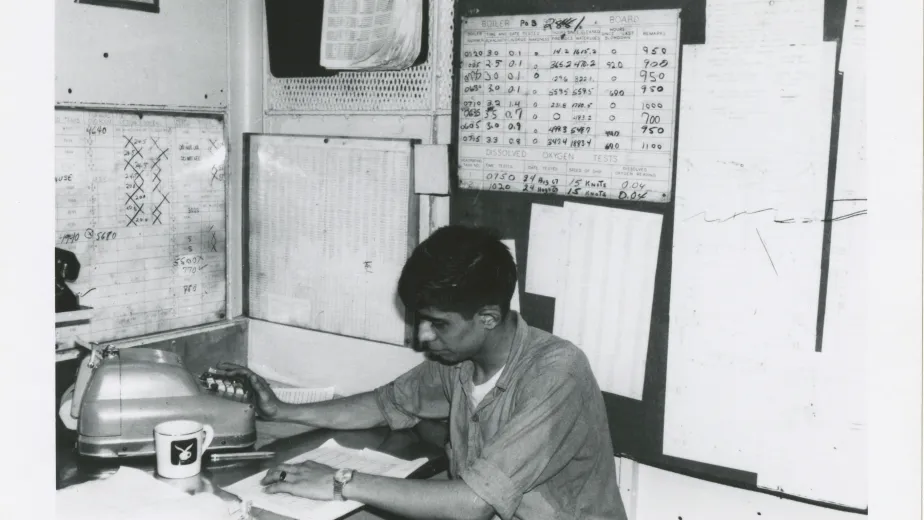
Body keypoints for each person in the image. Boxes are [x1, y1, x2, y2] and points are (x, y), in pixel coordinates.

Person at [220, 225, 627, 520]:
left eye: (437, 323)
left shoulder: (556, 373)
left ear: (488, 317)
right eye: (419, 319)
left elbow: (472, 504)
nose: (421, 335)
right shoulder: (460, 361)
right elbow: (383, 404)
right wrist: (281, 410)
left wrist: (339, 481)